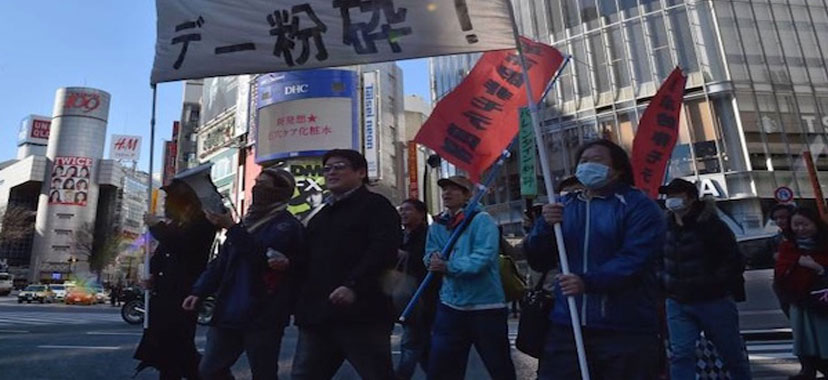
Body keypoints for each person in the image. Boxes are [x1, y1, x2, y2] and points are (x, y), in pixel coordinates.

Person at [523, 139, 666, 379]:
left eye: (597, 160)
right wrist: (543, 227)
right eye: (583, 161)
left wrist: (587, 281)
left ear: (618, 169)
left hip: (625, 327)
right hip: (568, 324)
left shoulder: (638, 206)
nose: (588, 165)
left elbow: (635, 259)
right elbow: (538, 259)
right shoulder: (564, 206)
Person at [183, 168, 307, 380]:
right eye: (256, 182)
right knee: (209, 370)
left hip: (263, 313)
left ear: (280, 191)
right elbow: (221, 262)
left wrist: (232, 228)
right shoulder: (245, 223)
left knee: (263, 372)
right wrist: (199, 290)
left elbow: (262, 258)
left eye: (264, 185)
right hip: (228, 310)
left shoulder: (286, 226)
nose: (256, 188)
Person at [292, 149, 401, 380]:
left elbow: (383, 251)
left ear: (361, 172)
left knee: (377, 374)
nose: (331, 172)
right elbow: (307, 260)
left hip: (363, 315)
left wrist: (353, 285)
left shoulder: (377, 206)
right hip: (318, 315)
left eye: (339, 166)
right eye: (327, 169)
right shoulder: (320, 215)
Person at [424, 175, 516, 380]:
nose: (447, 193)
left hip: (486, 306)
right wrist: (432, 260)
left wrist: (449, 267)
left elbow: (483, 257)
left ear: (467, 195)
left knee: (499, 366)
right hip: (450, 304)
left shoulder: (482, 220)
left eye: (454, 189)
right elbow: (430, 252)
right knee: (442, 368)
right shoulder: (438, 223)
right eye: (445, 189)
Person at [658, 178, 751, 380]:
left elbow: (734, 259)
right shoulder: (665, 226)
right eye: (669, 195)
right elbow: (658, 258)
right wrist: (664, 282)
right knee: (681, 354)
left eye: (677, 195)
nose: (671, 200)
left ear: (691, 198)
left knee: (731, 353)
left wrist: (713, 283)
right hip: (677, 300)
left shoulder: (712, 225)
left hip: (713, 300)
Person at [134, 179, 218, 380]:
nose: (165, 204)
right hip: (164, 292)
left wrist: (158, 226)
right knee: (168, 349)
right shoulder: (179, 223)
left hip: (183, 293)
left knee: (179, 346)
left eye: (170, 199)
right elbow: (163, 253)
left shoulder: (203, 223)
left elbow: (180, 245)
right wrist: (152, 273)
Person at [775, 207, 828, 380]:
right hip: (798, 300)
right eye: (796, 225)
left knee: (823, 336)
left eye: (804, 224)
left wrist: (818, 269)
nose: (800, 229)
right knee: (804, 337)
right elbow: (780, 273)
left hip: (822, 300)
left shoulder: (824, 244)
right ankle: (808, 368)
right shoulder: (788, 247)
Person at [395, 198, 436, 380]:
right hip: (406, 297)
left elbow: (424, 263)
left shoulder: (428, 236)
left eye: (408, 210)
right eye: (401, 210)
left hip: (422, 297)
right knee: (423, 347)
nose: (403, 213)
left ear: (421, 214)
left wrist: (406, 256)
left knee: (411, 344)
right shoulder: (400, 236)